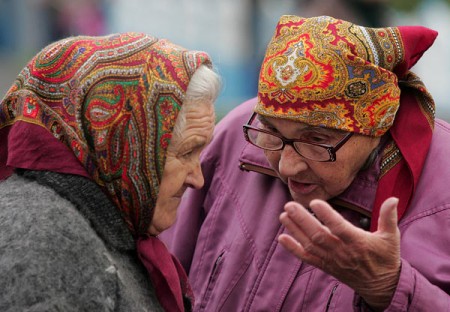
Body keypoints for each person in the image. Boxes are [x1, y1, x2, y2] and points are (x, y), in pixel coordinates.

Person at [161, 15, 450, 311]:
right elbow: (165, 276)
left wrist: (391, 287)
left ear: (377, 126)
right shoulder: (237, 135)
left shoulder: (442, 185)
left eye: (315, 139)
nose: (287, 167)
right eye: (272, 132)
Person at [0, 32, 221, 311]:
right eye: (187, 152)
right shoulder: (46, 242)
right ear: (123, 140)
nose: (198, 179)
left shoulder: (109, 223)